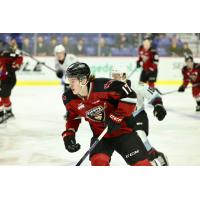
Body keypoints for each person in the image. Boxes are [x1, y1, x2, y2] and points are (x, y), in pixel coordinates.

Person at [61, 62, 152, 166]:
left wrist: (116, 117)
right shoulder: (68, 98)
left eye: (73, 80)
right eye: (69, 80)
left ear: (84, 80)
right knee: (98, 162)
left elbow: (130, 95)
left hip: (124, 134)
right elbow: (73, 117)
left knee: (142, 165)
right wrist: (69, 135)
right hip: (101, 137)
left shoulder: (105, 86)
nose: (70, 84)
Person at [111, 66, 168, 165]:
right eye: (113, 76)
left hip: (138, 116)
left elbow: (154, 94)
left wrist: (158, 105)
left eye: (117, 76)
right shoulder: (110, 88)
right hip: (124, 120)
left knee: (140, 136)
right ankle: (156, 155)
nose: (115, 79)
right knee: (135, 146)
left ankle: (150, 160)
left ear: (124, 76)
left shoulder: (137, 85)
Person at [0, 49, 23, 124]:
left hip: (9, 79)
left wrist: (15, 65)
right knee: (3, 96)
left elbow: (19, 57)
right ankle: (2, 114)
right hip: (2, 79)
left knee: (4, 95)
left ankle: (9, 113)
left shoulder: (5, 54)